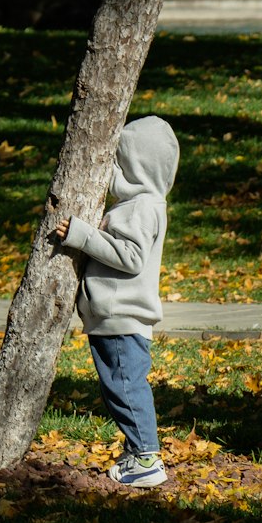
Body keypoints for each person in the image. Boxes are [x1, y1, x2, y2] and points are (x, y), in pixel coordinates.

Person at [55, 114, 179, 489]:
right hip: (116, 315)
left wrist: (82, 235)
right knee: (119, 386)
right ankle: (138, 449)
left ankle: (146, 458)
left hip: (122, 315)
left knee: (125, 386)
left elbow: (130, 256)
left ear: (136, 166)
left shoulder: (141, 207)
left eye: (119, 161)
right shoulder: (143, 203)